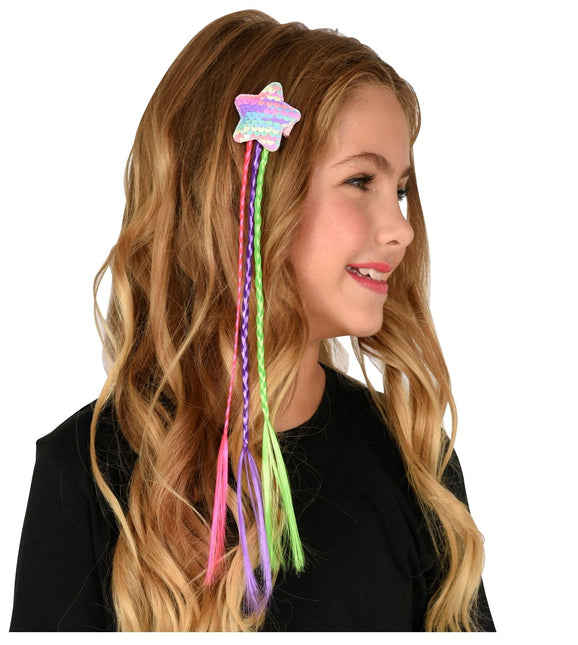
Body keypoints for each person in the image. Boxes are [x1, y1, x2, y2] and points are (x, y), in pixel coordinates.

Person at [10, 9, 495, 632]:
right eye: (360, 180)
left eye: (399, 189)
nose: (402, 228)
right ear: (241, 196)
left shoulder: (416, 462)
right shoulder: (90, 475)